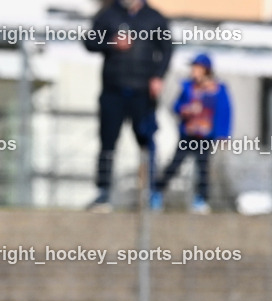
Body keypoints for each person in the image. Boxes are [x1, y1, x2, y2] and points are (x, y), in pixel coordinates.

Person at [84, 0, 172, 212]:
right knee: (107, 142)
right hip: (113, 90)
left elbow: (167, 49)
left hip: (142, 93)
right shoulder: (107, 15)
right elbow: (89, 42)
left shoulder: (155, 18)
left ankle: (151, 192)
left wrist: (158, 76)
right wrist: (111, 43)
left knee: (146, 141)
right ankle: (103, 193)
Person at [152, 54, 231, 215]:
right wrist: (185, 110)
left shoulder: (218, 89)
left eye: (197, 68)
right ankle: (156, 193)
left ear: (205, 70)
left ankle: (201, 200)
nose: (193, 71)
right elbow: (176, 107)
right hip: (187, 134)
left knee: (203, 168)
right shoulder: (188, 87)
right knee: (175, 164)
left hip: (206, 136)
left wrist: (223, 134)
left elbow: (225, 112)